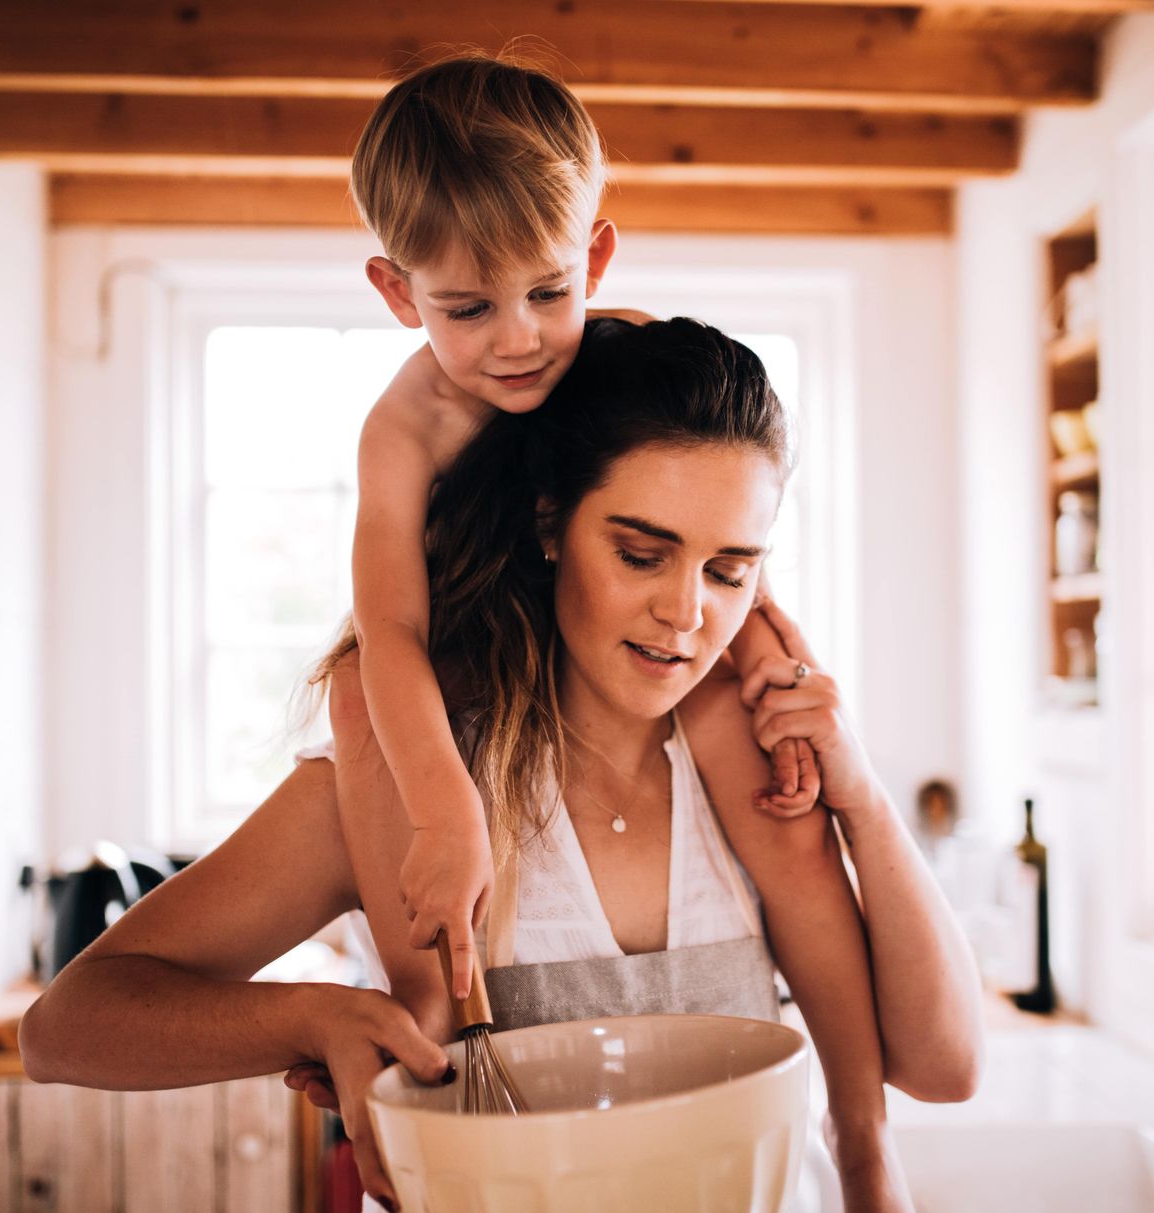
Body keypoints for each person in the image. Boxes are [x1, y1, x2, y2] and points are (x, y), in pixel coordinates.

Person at [20, 320, 985, 1213]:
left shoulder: (752, 765)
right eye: (642, 554)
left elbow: (946, 1066)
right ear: (548, 522)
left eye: (732, 570)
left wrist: (856, 789)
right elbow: (66, 1028)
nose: (689, 616)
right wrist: (317, 1018)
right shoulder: (403, 776)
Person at [337, 54, 821, 1031]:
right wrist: (444, 808)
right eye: (467, 308)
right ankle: (424, 1027)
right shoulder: (405, 427)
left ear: (594, 261)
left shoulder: (625, 351)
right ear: (398, 291)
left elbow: (720, 533)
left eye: (549, 293)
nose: (518, 339)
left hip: (602, 660)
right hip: (467, 666)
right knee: (353, 696)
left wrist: (773, 643)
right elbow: (389, 626)